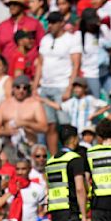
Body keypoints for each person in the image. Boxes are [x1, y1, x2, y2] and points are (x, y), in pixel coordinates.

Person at [33, 11, 82, 155]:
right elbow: (40, 64)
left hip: (62, 85)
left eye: (54, 22)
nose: (51, 25)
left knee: (66, 125)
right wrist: (35, 86)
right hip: (46, 86)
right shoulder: (45, 39)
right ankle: (56, 158)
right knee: (50, 125)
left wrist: (69, 88)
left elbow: (76, 64)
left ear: (61, 23)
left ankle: (73, 154)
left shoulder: (71, 39)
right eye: (50, 22)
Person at [0, 75, 48, 161]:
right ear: (13, 88)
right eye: (18, 87)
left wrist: (26, 123)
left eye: (24, 88)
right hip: (9, 146)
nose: (21, 90)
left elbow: (44, 127)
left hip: (29, 146)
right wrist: (8, 132)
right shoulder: (4, 104)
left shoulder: (35, 104)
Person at [40, 77, 108, 132]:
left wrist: (93, 115)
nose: (76, 90)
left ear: (84, 88)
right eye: (75, 87)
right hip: (74, 132)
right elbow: (59, 107)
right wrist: (45, 100)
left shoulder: (90, 99)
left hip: (86, 131)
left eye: (79, 87)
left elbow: (106, 106)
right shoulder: (72, 101)